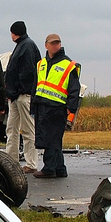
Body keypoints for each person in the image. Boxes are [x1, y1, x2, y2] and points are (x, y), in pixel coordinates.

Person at [32, 34, 81, 178]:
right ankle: (60, 169)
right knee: (51, 138)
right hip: (42, 105)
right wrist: (33, 105)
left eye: (58, 43)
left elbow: (74, 88)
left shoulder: (68, 65)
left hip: (57, 107)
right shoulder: (41, 64)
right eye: (53, 43)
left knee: (51, 138)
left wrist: (71, 108)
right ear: (46, 45)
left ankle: (49, 169)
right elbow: (35, 85)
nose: (55, 46)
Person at [5, 21, 40, 173]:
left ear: (14, 33)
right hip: (16, 96)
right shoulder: (24, 45)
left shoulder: (25, 46)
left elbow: (26, 72)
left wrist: (17, 90)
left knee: (27, 129)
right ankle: (11, 160)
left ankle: (31, 163)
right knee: (11, 129)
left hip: (22, 95)